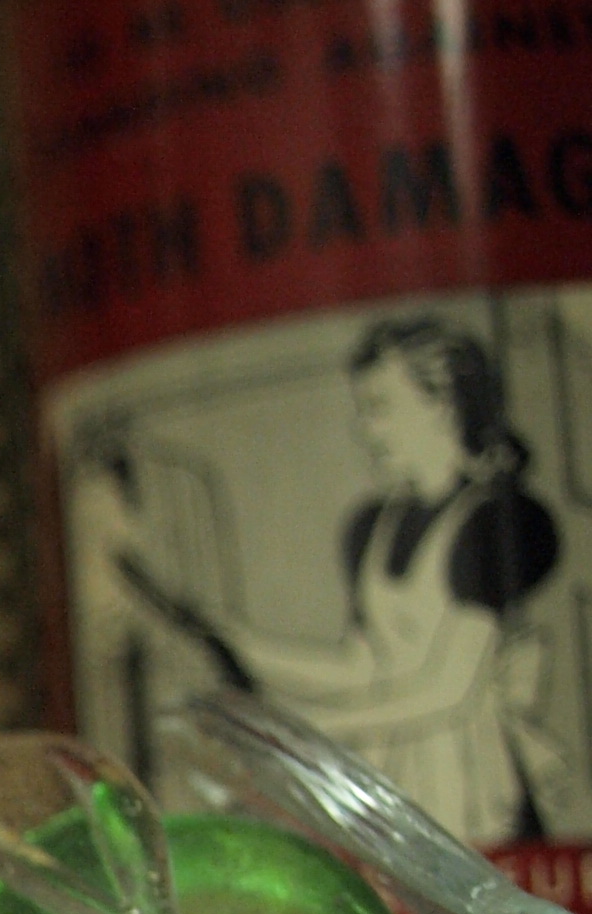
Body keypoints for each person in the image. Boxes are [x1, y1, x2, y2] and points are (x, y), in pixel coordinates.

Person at [117, 316, 575, 841]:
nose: (367, 429)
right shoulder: (374, 527)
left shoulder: (495, 522)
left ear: (441, 406)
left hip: (475, 797)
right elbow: (362, 668)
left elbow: (446, 692)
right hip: (394, 791)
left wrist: (308, 734)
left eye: (379, 409)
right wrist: (238, 641)